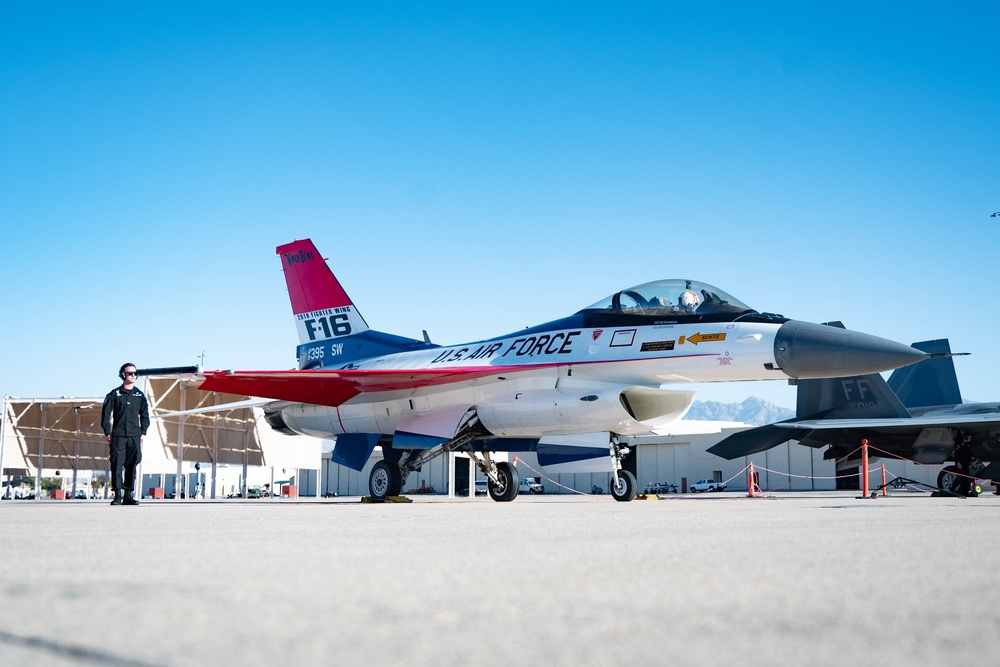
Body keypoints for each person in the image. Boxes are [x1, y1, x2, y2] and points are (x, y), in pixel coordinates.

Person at [101, 363, 149, 506]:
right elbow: (105, 415)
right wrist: (107, 432)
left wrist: (143, 432)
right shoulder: (114, 394)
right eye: (130, 373)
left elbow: (145, 415)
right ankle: (117, 495)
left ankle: (128, 495)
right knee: (116, 465)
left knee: (132, 465)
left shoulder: (139, 395)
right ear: (123, 375)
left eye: (135, 373)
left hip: (134, 436)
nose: (133, 375)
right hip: (118, 436)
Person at [952, 432, 975, 497]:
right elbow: (957, 454)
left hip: (965, 462)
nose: (970, 439)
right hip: (960, 462)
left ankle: (965, 491)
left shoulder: (967, 445)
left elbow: (968, 454)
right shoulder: (959, 444)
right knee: (960, 476)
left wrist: (971, 462)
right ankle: (953, 487)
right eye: (969, 438)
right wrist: (958, 462)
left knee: (966, 477)